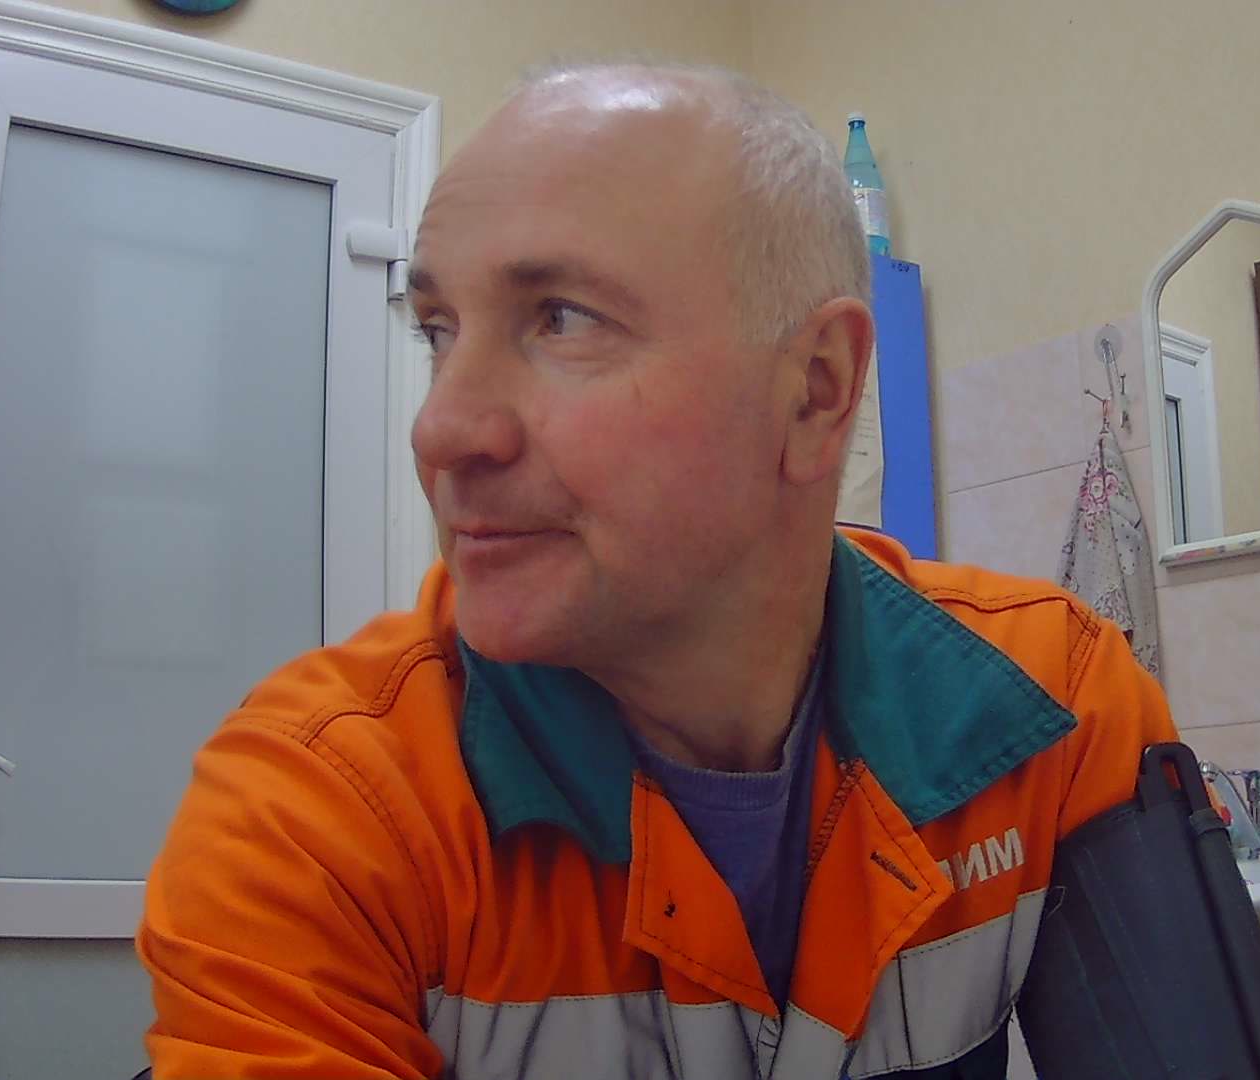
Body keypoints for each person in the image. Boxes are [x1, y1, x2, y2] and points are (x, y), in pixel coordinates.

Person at [139, 61, 1177, 1079]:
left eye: (561, 318)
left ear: (816, 390)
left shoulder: (1053, 702)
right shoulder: (317, 815)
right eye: (438, 332)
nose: (441, 429)